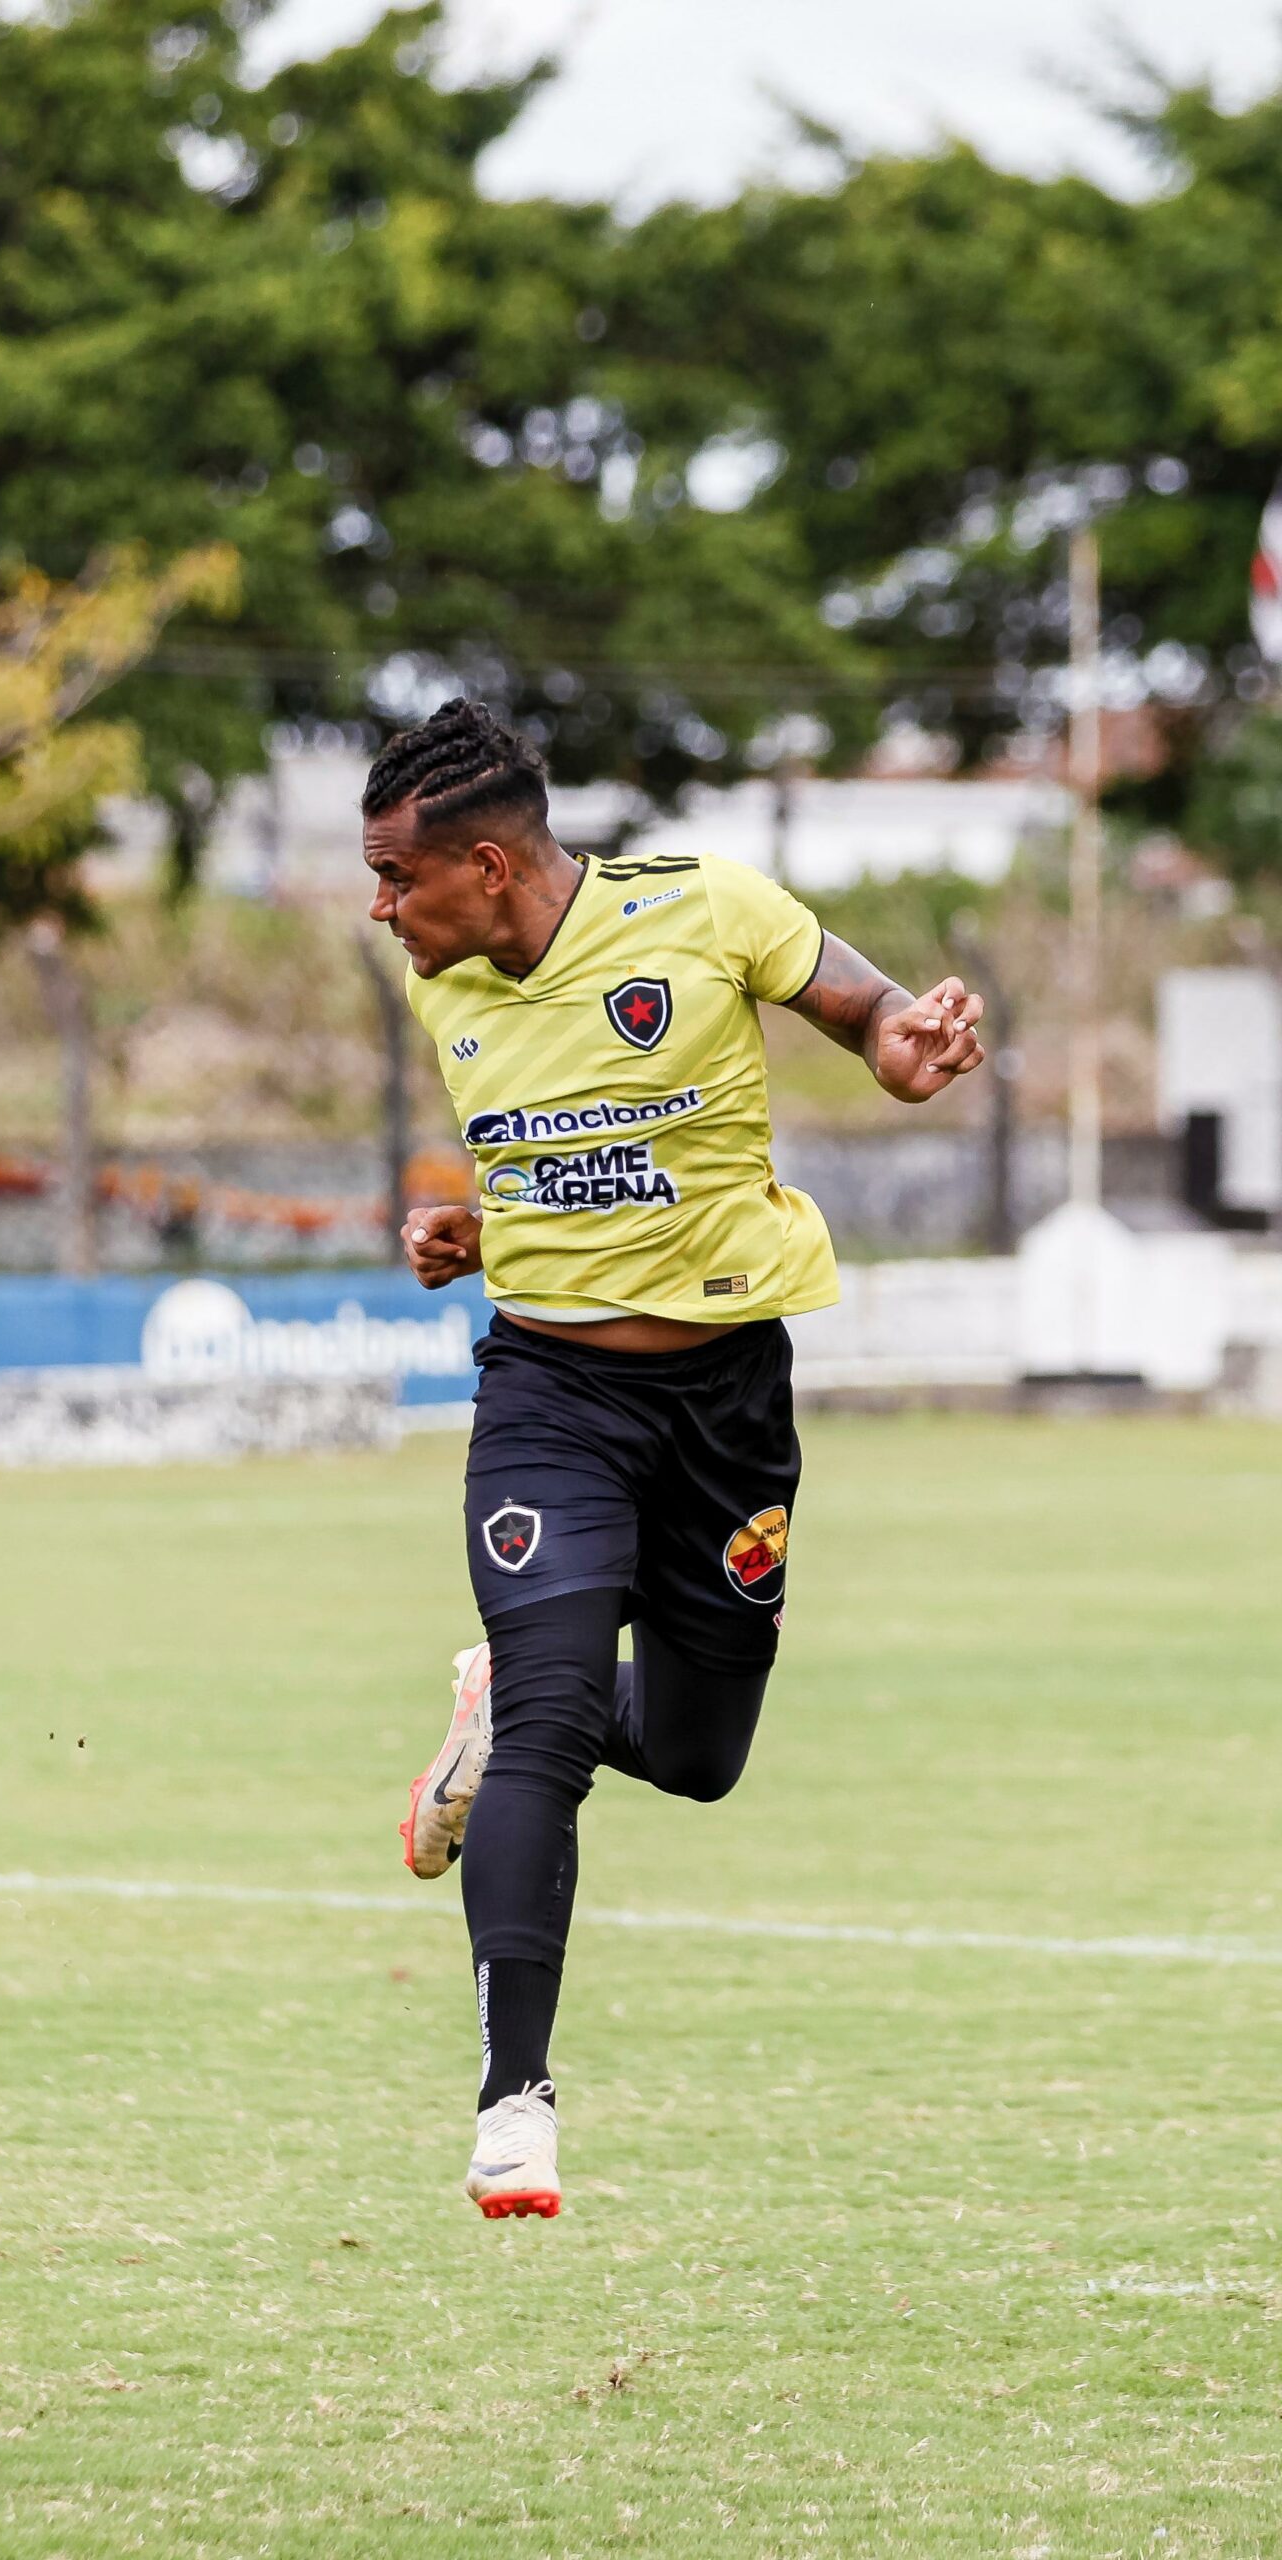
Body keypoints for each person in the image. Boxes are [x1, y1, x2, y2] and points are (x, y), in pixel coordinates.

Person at [365, 699, 985, 2219]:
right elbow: (564, 1158)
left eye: (398, 877)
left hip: (726, 1403)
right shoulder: (439, 985)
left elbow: (866, 1013)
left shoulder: (706, 912)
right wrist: (481, 1231)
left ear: (493, 866)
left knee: (700, 1757)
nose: (381, 908)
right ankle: (516, 2103)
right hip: (550, 1402)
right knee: (564, 1726)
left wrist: (904, 1042)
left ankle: (494, 1706)